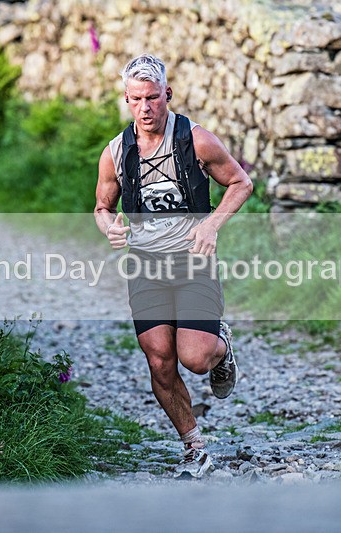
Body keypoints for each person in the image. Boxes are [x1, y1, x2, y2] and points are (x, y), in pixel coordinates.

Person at [94, 54, 253, 478]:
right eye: (136, 99)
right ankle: (194, 448)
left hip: (193, 262)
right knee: (160, 361)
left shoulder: (197, 140)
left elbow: (241, 182)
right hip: (146, 267)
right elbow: (102, 206)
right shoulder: (115, 153)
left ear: (168, 95)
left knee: (195, 358)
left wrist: (212, 225)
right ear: (126, 100)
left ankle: (222, 349)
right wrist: (109, 226)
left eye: (152, 98)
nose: (145, 108)